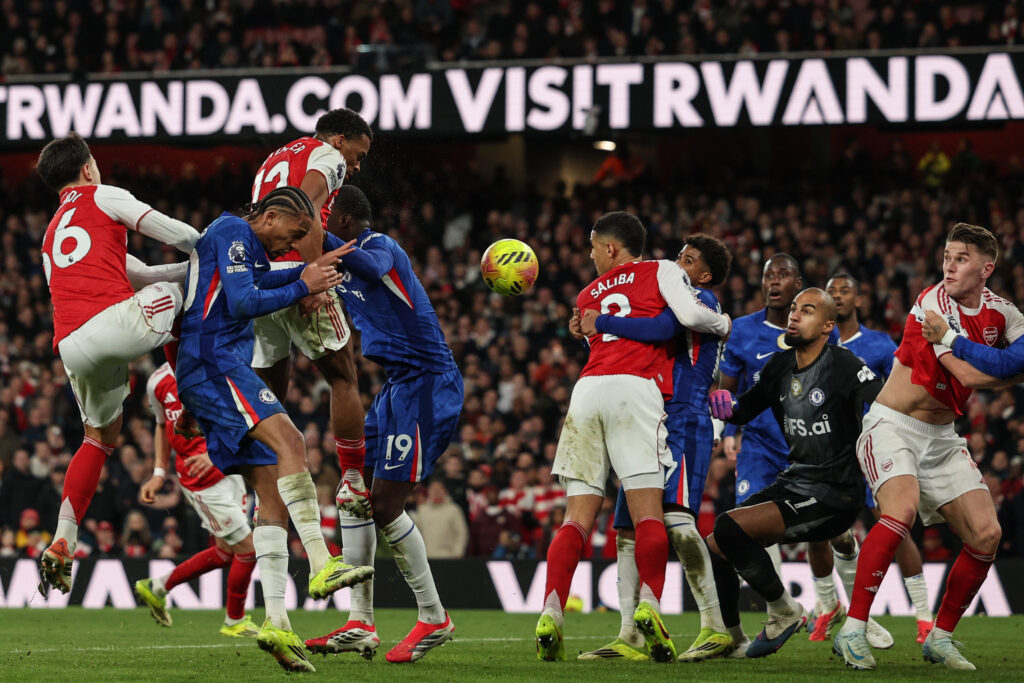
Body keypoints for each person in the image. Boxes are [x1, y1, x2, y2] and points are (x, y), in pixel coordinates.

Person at [175, 186, 371, 673]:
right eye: (295, 232)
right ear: (270, 216)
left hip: (210, 367)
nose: (294, 244)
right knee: (292, 441)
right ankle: (322, 561)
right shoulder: (234, 230)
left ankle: (276, 620)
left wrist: (312, 272)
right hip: (215, 363)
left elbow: (259, 280)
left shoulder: (243, 245)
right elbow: (243, 301)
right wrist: (304, 285)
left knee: (270, 493)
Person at [534, 212, 731, 663]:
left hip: (673, 414)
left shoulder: (694, 295)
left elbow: (672, 324)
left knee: (662, 520)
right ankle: (634, 629)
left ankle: (714, 625)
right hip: (643, 405)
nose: (679, 263)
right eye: (679, 255)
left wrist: (598, 323)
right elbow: (642, 332)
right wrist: (591, 329)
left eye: (689, 259)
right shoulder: (658, 279)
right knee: (631, 525)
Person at [834, 223, 1024, 671]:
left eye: (961, 259)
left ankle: (940, 637)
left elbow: (1012, 360)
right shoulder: (931, 303)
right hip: (892, 426)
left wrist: (1004, 365)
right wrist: (1008, 370)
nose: (949, 266)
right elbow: (972, 375)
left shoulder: (1005, 313)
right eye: (946, 257)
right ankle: (853, 629)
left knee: (987, 534)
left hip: (942, 437)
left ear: (986, 269)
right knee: (899, 513)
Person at [303, 186, 463, 663]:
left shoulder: (381, 247)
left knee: (387, 505)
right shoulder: (337, 265)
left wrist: (319, 234)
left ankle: (434, 617)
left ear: (343, 219)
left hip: (428, 383)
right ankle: (360, 622)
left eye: (327, 215)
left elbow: (372, 269)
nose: (320, 221)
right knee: (353, 495)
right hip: (396, 387)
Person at [35, 132, 200, 595]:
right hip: (109, 323)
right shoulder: (102, 195)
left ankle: (63, 539)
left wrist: (189, 269)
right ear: (88, 168)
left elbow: (141, 273)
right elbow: (179, 235)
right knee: (183, 299)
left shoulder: (51, 235)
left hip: (71, 345)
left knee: (100, 438)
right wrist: (218, 251)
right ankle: (190, 403)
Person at [708, 288, 883, 658]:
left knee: (728, 527)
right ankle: (731, 638)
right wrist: (726, 406)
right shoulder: (780, 365)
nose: (794, 315)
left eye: (807, 310)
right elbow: (745, 409)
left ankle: (785, 611)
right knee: (716, 544)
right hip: (796, 482)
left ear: (827, 326)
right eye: (793, 309)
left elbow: (885, 403)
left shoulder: (844, 364)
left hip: (835, 494)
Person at [249, 108, 375, 521]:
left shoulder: (275, 158)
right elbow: (304, 207)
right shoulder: (328, 156)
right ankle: (353, 479)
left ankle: (265, 489)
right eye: (358, 155)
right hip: (295, 265)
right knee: (343, 376)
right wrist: (312, 276)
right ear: (340, 140)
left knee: (269, 390)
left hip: (259, 276)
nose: (356, 166)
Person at [811, 273, 933, 645]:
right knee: (818, 526)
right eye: (831, 291)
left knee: (893, 523)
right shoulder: (817, 342)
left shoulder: (880, 344)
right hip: (830, 449)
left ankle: (925, 617)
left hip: (873, 446)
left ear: (859, 300)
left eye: (845, 290)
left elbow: (900, 389)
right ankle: (828, 606)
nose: (837, 296)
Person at [134, 362, 259, 638]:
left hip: (230, 470)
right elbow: (162, 426)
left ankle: (157, 586)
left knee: (226, 552)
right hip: (202, 482)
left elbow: (240, 416)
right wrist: (158, 473)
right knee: (248, 549)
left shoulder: (218, 363)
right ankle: (234, 620)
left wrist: (216, 454)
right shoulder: (158, 382)